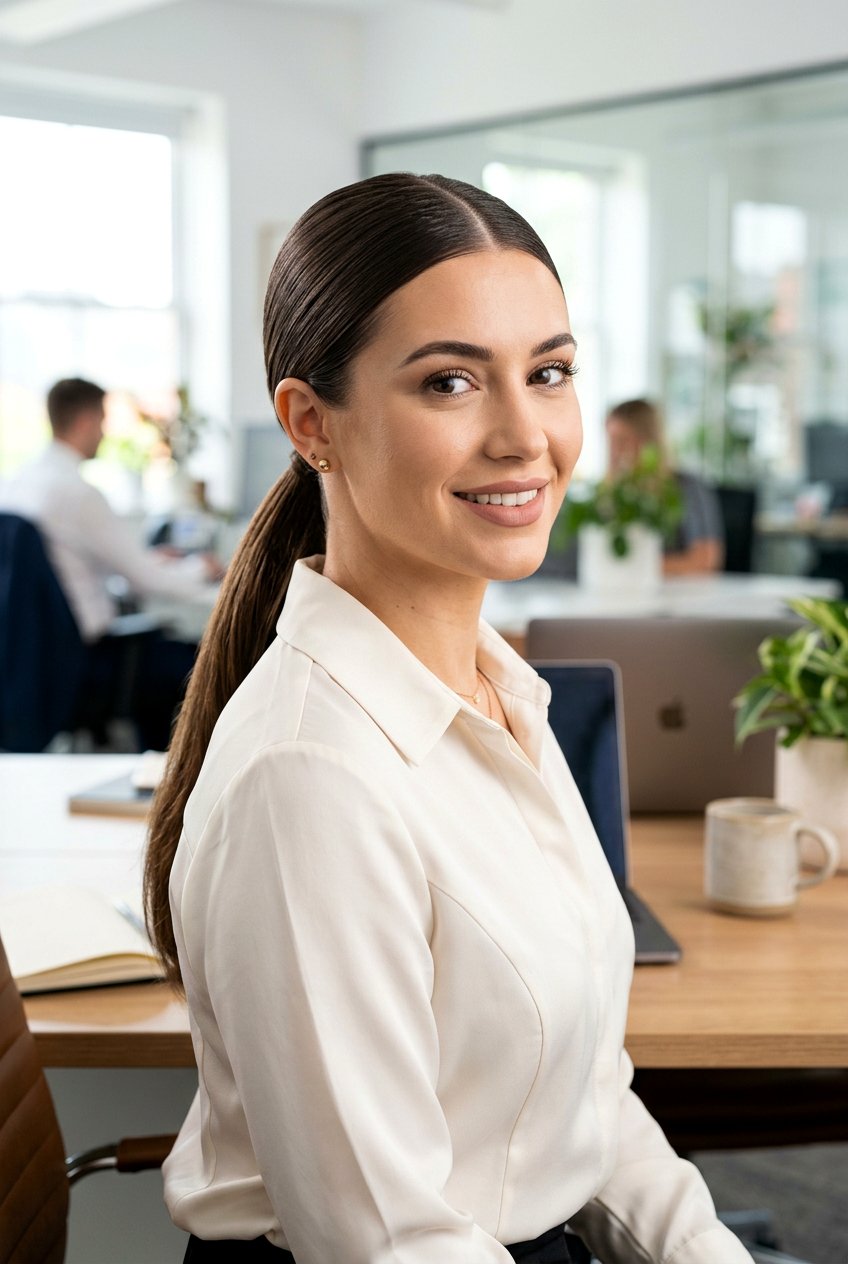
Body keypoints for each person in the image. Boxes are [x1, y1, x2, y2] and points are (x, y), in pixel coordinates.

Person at [144, 173, 754, 1264]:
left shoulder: (500, 689)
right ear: (310, 422)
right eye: (449, 383)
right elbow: (390, 1243)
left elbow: (579, 1096)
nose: (525, 436)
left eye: (549, 372)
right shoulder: (311, 778)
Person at [0, 378, 223, 746]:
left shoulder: (20, 484)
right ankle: (168, 784)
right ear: (87, 422)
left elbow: (86, 565)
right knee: (198, 665)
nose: (103, 434)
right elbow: (147, 582)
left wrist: (152, 561)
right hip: (86, 661)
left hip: (39, 658)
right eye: (103, 422)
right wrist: (207, 570)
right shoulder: (77, 493)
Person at [605, 398, 724, 575]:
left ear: (648, 441)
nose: (614, 452)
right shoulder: (612, 494)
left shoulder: (686, 487)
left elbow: (705, 560)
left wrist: (632, 568)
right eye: (611, 442)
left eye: (622, 441)